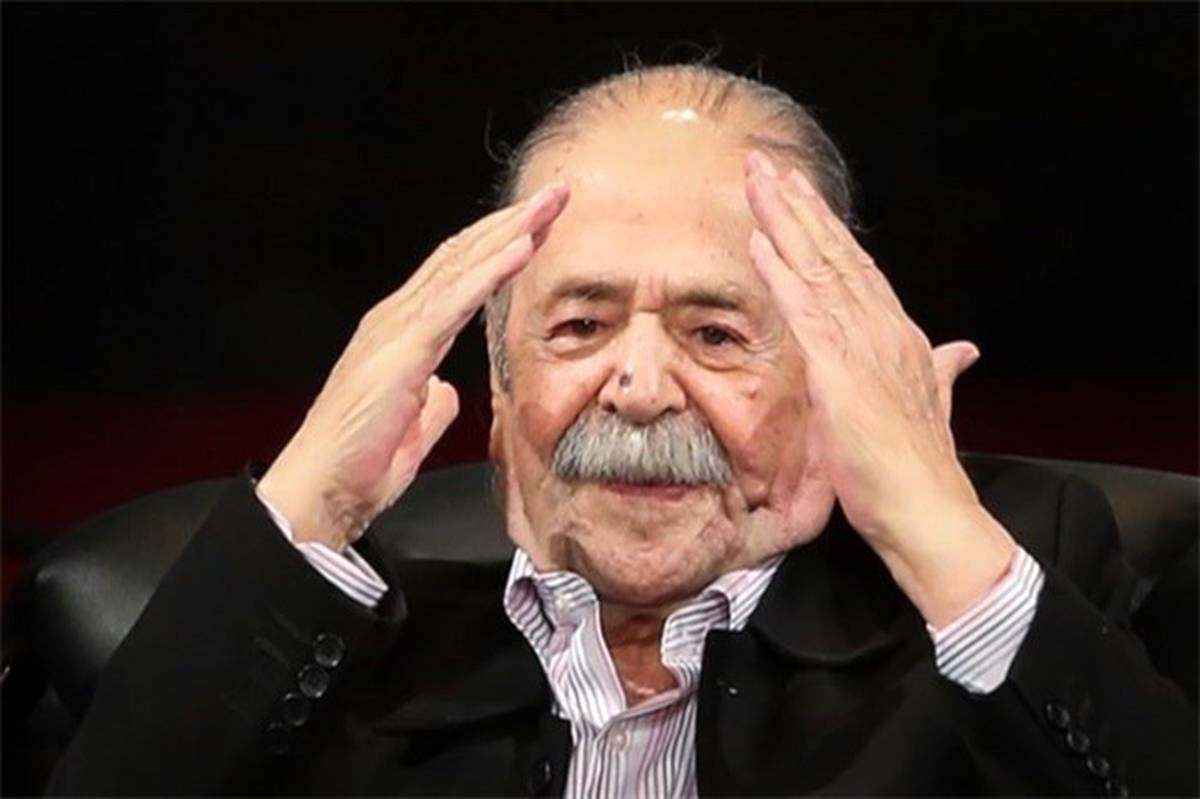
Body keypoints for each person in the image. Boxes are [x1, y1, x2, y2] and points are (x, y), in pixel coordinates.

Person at [48, 63, 1196, 797]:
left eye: (716, 332)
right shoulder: (346, 650)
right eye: (581, 325)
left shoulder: (990, 592)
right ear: (501, 401)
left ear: (835, 390)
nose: (638, 386)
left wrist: (931, 523)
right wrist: (313, 498)